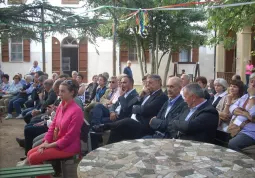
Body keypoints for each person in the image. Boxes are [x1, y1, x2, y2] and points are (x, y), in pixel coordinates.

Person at [26, 79, 84, 177]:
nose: (59, 94)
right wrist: (46, 141)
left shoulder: (76, 111)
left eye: (62, 91)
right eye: (59, 91)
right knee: (30, 153)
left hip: (68, 147)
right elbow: (53, 126)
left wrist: (49, 146)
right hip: (57, 142)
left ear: (72, 92)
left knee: (33, 158)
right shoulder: (62, 105)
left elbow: (70, 137)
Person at [92, 75, 168, 144]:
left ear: (158, 83)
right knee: (116, 129)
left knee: (127, 121)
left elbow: (143, 110)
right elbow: (132, 107)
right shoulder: (146, 95)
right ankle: (108, 151)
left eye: (150, 83)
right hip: (132, 120)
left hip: (143, 125)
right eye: (147, 83)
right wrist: (140, 97)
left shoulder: (161, 96)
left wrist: (133, 106)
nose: (147, 85)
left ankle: (105, 126)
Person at [228, 73, 255, 152]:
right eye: (251, 82)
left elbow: (252, 114)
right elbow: (232, 108)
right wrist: (245, 113)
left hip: (250, 131)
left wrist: (252, 97)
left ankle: (242, 163)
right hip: (236, 126)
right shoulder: (245, 96)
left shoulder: (250, 96)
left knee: (233, 144)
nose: (253, 84)